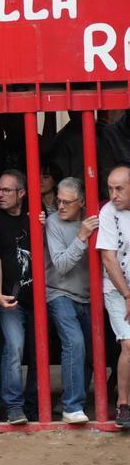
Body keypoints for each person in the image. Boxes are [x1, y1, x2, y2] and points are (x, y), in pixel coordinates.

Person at [45, 177, 97, 424]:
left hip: (89, 296)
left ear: (82, 202)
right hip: (59, 292)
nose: (61, 206)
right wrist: (82, 237)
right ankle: (71, 406)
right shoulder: (53, 222)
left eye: (67, 202)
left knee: (90, 351)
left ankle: (74, 398)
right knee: (75, 343)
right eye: (58, 201)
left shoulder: (92, 218)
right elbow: (62, 265)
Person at [0, 169, 36, 424]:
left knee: (39, 349)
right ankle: (13, 406)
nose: (1, 195)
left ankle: (35, 403)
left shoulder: (36, 213)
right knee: (15, 346)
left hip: (38, 295)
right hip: (10, 297)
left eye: (7, 190)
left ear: (22, 193)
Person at [98, 163, 130, 430]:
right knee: (129, 345)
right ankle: (123, 405)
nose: (113, 194)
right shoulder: (108, 212)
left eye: (119, 189)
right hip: (117, 288)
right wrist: (128, 294)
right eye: (110, 188)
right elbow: (108, 259)